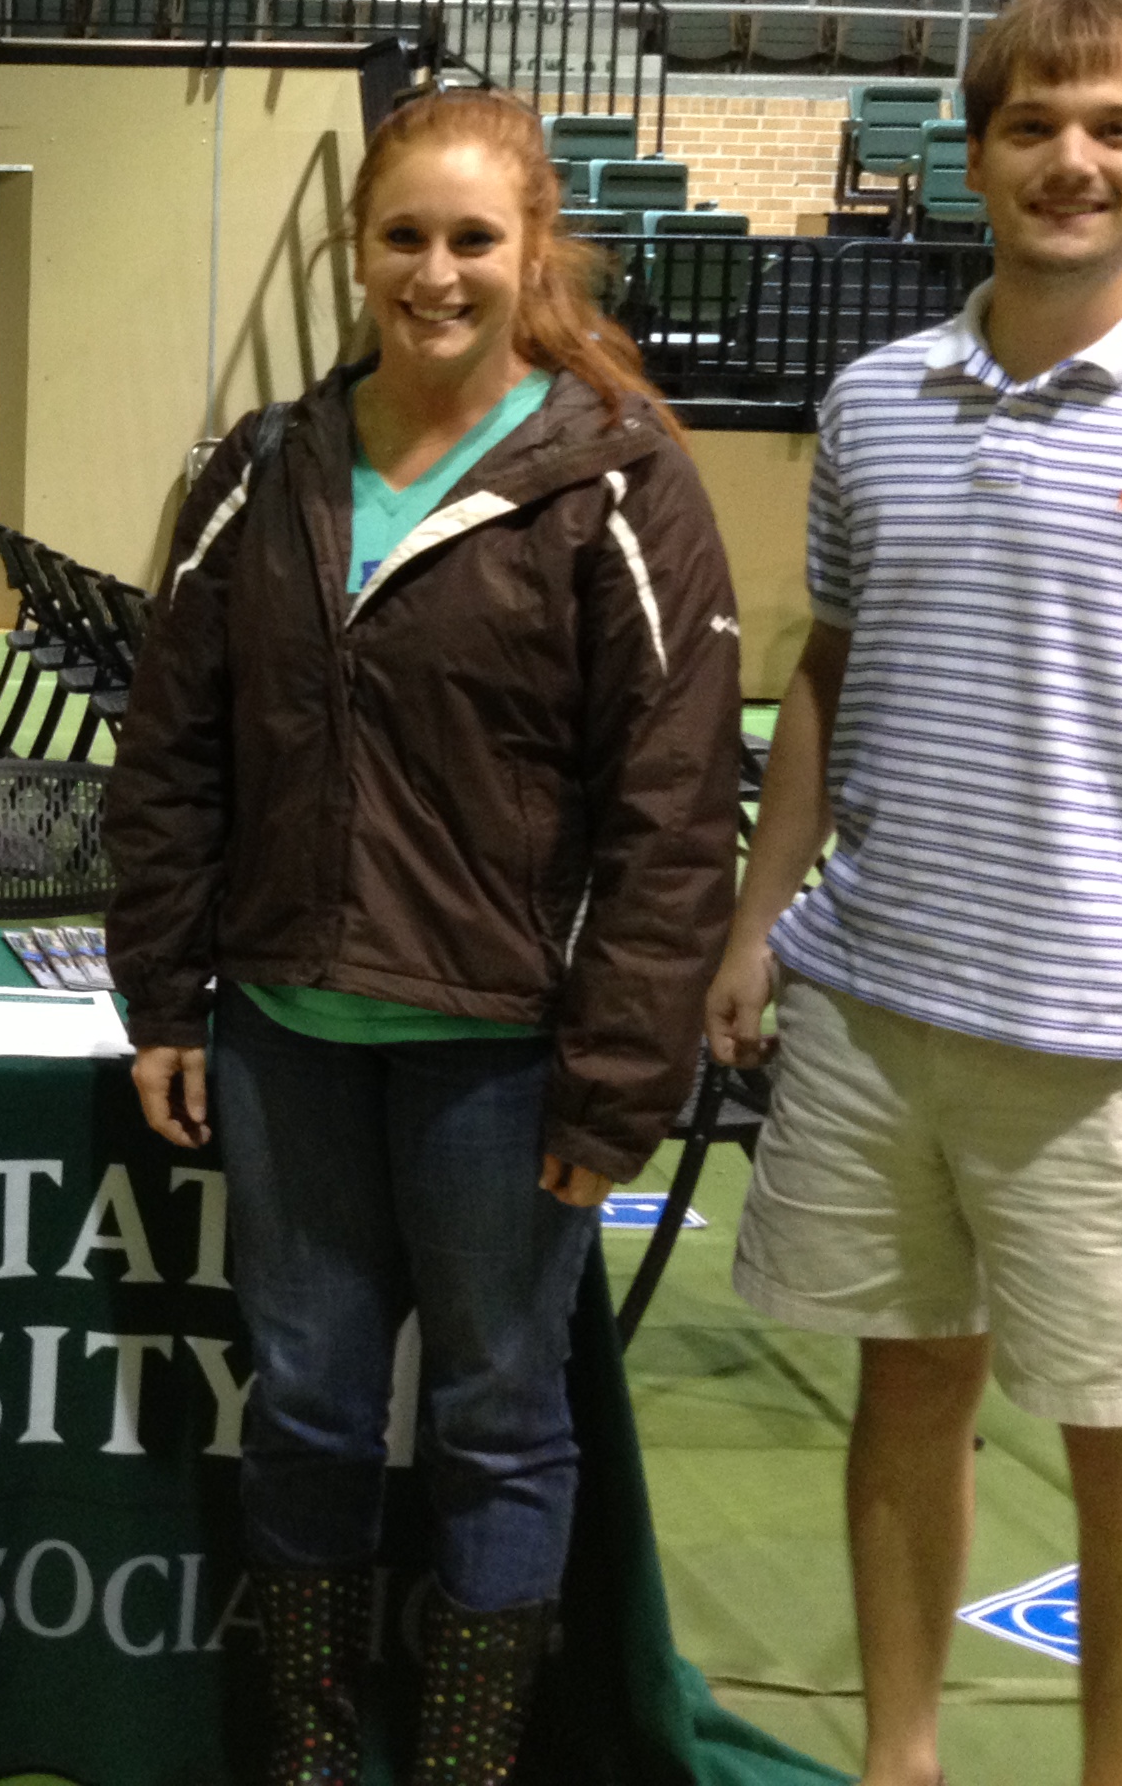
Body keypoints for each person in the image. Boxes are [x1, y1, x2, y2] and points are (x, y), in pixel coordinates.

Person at [707, 0, 1122, 1786]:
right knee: (901, 1391)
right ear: (971, 153)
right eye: (1027, 125)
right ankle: (900, 1757)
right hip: (869, 1007)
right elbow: (828, 676)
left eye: (1105, 129)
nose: (1064, 160)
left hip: (1113, 1049)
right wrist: (763, 918)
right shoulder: (870, 401)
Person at [109, 88, 743, 1786]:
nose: (435, 271)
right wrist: (164, 988)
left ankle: (462, 1763)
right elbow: (170, 744)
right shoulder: (263, 466)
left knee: (494, 1421)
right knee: (307, 1409)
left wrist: (617, 1078)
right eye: (403, 235)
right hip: (282, 1042)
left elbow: (671, 816)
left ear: (531, 250)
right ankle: (311, 1754)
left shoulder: (617, 480)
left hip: (501, 1060)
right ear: (353, 248)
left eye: (472, 237)